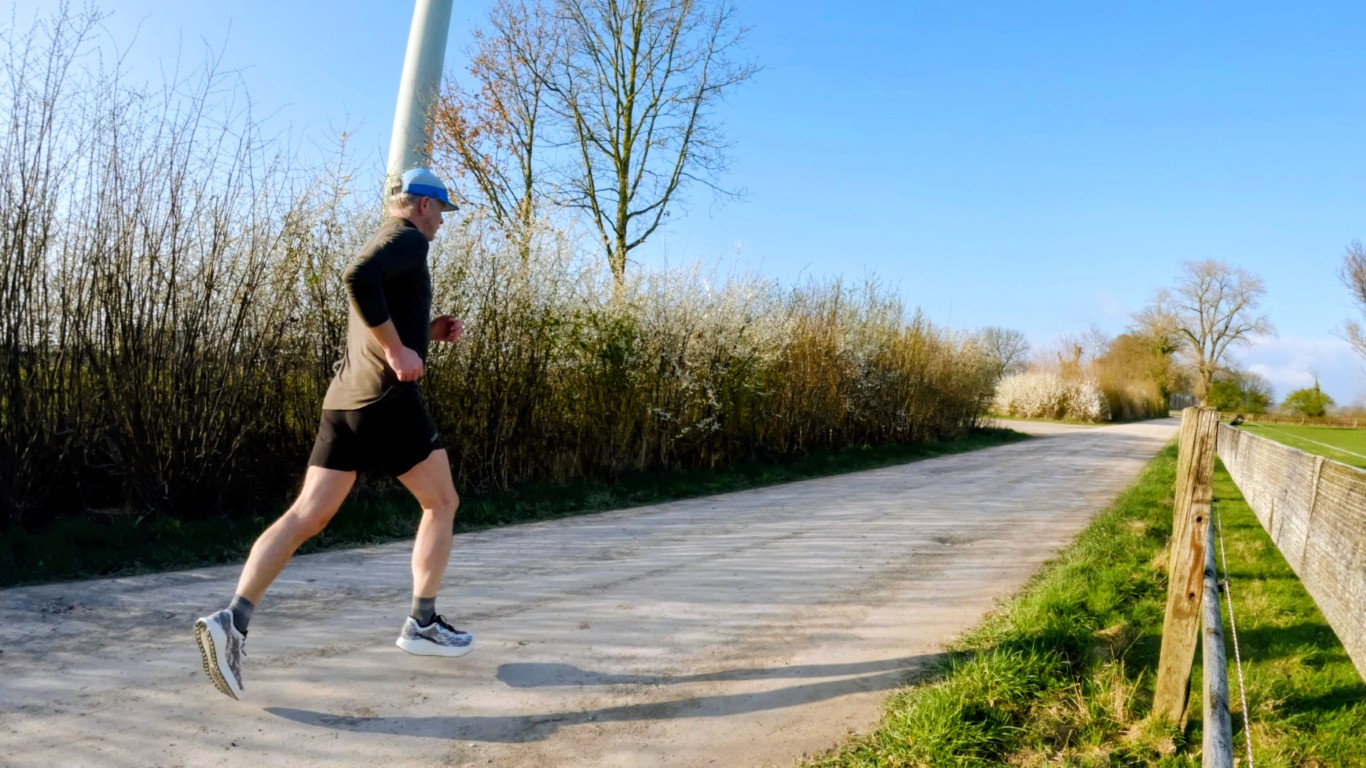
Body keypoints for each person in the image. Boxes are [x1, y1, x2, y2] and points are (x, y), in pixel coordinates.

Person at [194, 168, 472, 701]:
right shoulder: (408, 239)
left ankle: (233, 620)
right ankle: (423, 621)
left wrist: (424, 332)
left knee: (306, 515)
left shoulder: (390, 241)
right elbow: (357, 277)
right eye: (441, 211)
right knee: (442, 501)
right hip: (387, 402)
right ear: (421, 206)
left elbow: (376, 305)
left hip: (345, 402)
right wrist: (398, 351)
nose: (442, 223)